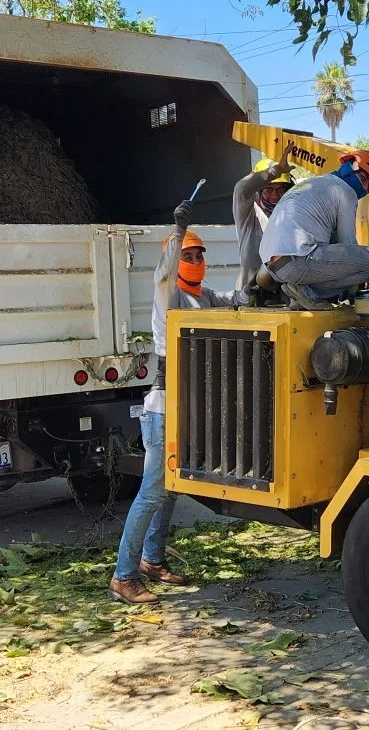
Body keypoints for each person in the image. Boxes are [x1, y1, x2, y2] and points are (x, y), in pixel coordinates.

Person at [109, 199, 253, 605]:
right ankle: (123, 576)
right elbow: (162, 273)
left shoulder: (202, 297)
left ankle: (152, 560)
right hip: (163, 408)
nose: (193, 260)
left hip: (186, 407)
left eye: (197, 254)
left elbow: (233, 297)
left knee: (170, 490)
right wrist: (175, 233)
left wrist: (255, 290)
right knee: (152, 492)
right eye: (187, 255)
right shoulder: (167, 295)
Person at [260, 149, 369, 310]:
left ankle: (299, 293)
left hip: (273, 267)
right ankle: (308, 292)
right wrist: (355, 285)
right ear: (349, 167)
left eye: (368, 187)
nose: (363, 187)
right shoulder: (345, 190)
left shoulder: (313, 184)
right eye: (363, 178)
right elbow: (348, 244)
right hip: (299, 260)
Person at [233, 142, 294, 291]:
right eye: (268, 190)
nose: (275, 196)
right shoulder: (249, 214)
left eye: (281, 190)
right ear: (258, 192)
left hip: (283, 295)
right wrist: (277, 171)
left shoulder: (291, 217)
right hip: (250, 296)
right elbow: (242, 188)